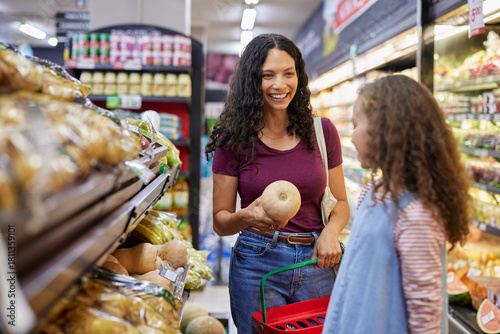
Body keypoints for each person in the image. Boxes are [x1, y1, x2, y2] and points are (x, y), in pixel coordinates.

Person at [204, 33, 350, 334]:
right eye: (267, 75)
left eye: (288, 73)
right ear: (251, 81)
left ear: (299, 76)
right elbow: (221, 221)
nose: (279, 85)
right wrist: (245, 217)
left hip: (316, 262)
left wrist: (331, 233)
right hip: (257, 263)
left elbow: (342, 204)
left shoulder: (322, 132)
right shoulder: (233, 140)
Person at [323, 75, 472, 334]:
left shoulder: (416, 216)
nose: (350, 133)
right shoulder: (372, 193)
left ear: (386, 131)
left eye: (356, 124)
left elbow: (425, 316)